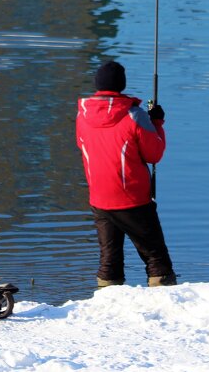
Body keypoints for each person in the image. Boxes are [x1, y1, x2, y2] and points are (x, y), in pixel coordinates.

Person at [75, 60, 176, 288]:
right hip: (132, 198)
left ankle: (107, 301)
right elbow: (154, 154)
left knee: (109, 262)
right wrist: (157, 123)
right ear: (122, 85)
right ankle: (164, 298)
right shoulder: (135, 115)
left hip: (99, 198)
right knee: (156, 258)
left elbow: (84, 146)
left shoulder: (82, 116)